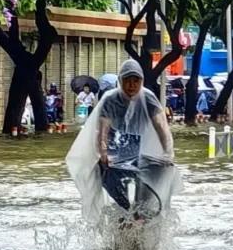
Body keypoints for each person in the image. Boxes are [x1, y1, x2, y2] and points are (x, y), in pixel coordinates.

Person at [65, 59, 179, 224]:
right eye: (127, 80)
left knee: (147, 195)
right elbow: (102, 131)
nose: (131, 85)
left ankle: (142, 219)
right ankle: (123, 214)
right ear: (120, 81)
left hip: (141, 153)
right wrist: (103, 154)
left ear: (141, 81)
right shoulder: (111, 99)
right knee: (107, 178)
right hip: (115, 151)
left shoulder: (148, 98)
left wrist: (168, 154)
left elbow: (162, 128)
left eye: (136, 80)